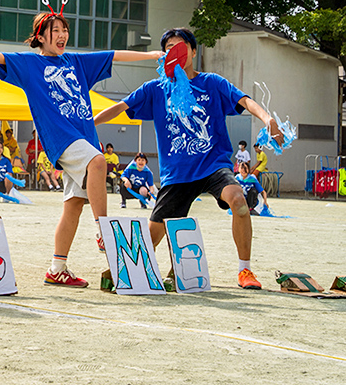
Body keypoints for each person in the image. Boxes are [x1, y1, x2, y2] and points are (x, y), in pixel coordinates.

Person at [0, 4, 161, 288]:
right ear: (41, 37)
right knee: (98, 161)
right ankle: (103, 230)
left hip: (83, 138)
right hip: (61, 139)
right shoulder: (30, 64)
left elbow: (114, 55)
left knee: (74, 205)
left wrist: (151, 55)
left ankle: (57, 268)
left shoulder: (76, 62)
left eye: (65, 29)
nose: (62, 34)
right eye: (55, 30)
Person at [94, 27, 284, 290]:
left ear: (193, 51)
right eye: (169, 48)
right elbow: (119, 107)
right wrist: (87, 126)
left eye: (181, 46)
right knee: (153, 235)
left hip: (213, 164)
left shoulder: (212, 83)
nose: (175, 51)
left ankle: (245, 270)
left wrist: (268, 119)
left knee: (239, 201)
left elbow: (245, 101)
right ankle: (127, 269)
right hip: (177, 173)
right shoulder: (155, 88)